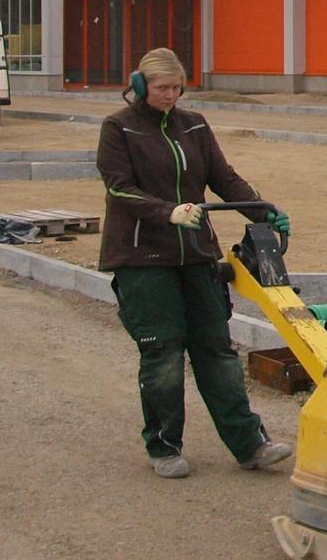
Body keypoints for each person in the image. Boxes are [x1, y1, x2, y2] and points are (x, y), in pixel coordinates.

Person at [96, 47, 295, 478]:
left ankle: (250, 444)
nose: (171, 96)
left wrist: (264, 210)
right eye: (162, 88)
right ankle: (164, 447)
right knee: (163, 356)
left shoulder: (195, 126)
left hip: (197, 256)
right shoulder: (119, 128)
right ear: (139, 86)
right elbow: (119, 189)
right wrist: (167, 211)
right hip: (143, 258)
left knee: (218, 352)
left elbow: (223, 178)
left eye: (177, 88)